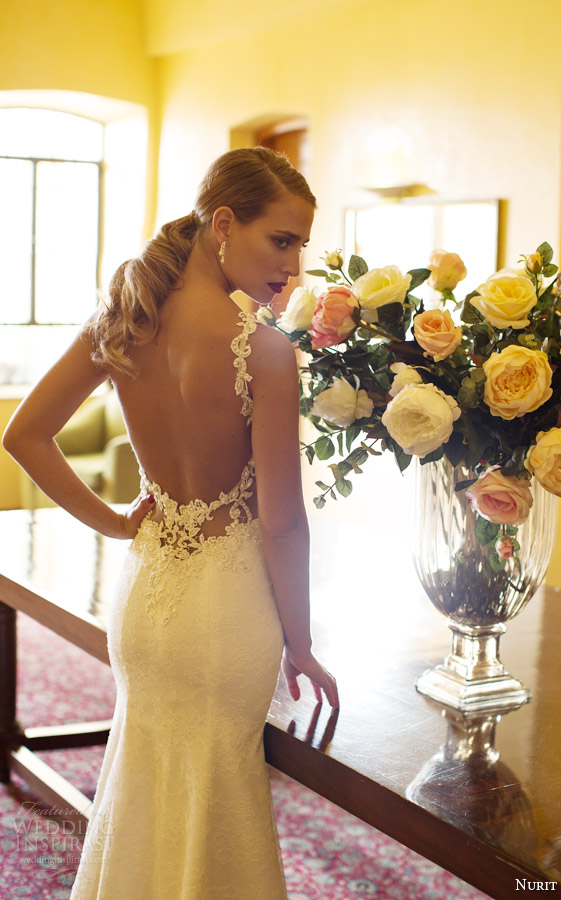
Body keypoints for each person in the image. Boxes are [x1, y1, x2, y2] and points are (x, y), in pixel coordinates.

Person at [2, 146, 339, 900]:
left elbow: (24, 435)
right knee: (214, 805)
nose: (293, 266)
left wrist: (119, 524)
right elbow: (284, 526)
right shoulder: (265, 350)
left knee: (148, 793)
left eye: (300, 246)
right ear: (223, 223)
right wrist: (305, 643)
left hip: (146, 603)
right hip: (225, 618)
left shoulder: (127, 319)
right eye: (280, 240)